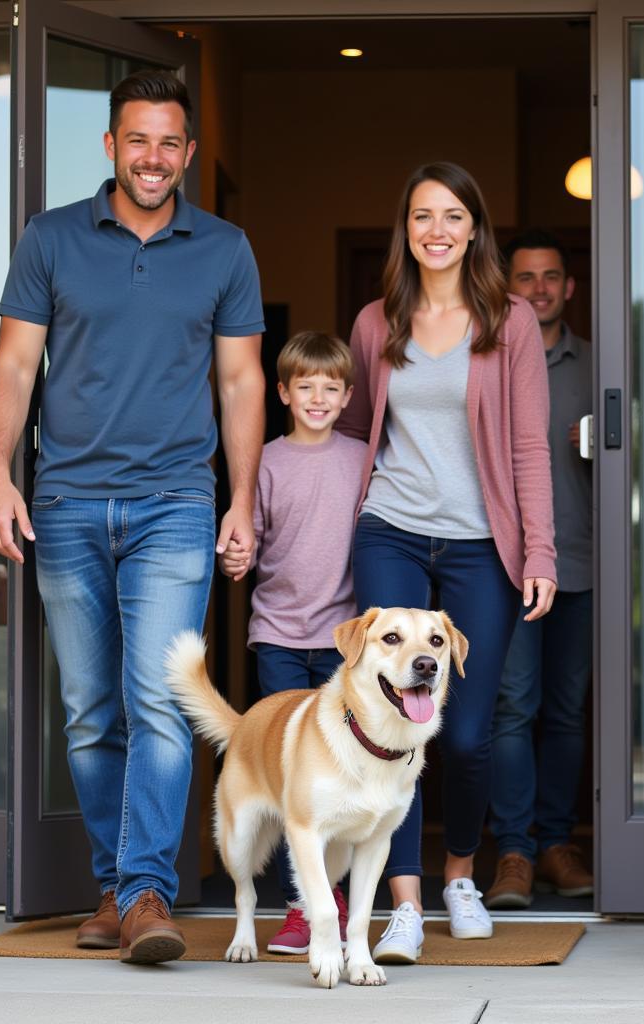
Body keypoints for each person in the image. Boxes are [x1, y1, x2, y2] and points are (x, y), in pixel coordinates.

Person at [0, 70, 265, 965]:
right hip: (63, 502)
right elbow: (16, 366)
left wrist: (243, 499)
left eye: (169, 143)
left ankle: (146, 892)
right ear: (111, 146)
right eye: (136, 140)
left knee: (159, 701)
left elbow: (241, 381)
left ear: (187, 151)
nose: (153, 157)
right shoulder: (52, 238)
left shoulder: (223, 248)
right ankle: (113, 885)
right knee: (89, 711)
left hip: (176, 501)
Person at [338, 162, 557, 964]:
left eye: (453, 216)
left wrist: (539, 549)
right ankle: (402, 901)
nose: (437, 230)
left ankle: (459, 873)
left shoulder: (511, 321)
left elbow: (531, 444)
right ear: (407, 228)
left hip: (478, 546)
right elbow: (357, 434)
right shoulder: (375, 321)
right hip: (389, 530)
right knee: (386, 726)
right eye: (423, 215)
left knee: (463, 735)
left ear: (474, 230)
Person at [220, 330, 368, 955]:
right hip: (279, 635)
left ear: (347, 396)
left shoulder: (363, 458)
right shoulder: (268, 460)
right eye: (304, 387)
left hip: (345, 643)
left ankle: (338, 894)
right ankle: (302, 909)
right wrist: (235, 553)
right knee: (293, 777)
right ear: (281, 392)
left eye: (330, 388)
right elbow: (245, 532)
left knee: (345, 770)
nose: (316, 397)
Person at [484, 231, 594, 909]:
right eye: (525, 277)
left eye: (550, 276)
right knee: (510, 707)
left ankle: (556, 844)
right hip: (511, 563)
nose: (539, 288)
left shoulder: (600, 366)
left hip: (584, 559)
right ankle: (515, 852)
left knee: (568, 713)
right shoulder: (491, 361)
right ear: (507, 287)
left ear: (569, 287)